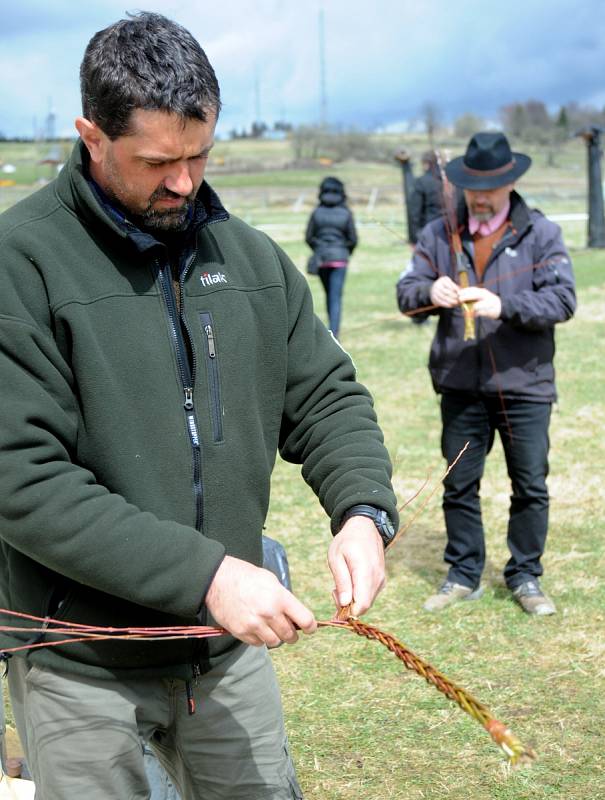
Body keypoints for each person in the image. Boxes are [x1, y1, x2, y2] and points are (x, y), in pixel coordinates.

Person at [0, 13, 399, 800]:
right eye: (157, 161)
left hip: (223, 654)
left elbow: (324, 396)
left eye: (200, 154)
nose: (184, 182)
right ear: (91, 135)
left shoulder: (248, 258)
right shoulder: (21, 265)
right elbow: (21, 478)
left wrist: (361, 509)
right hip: (80, 662)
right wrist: (208, 574)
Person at [396, 131, 576, 616]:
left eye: (489, 188)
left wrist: (505, 304)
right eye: (471, 187)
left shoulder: (542, 233)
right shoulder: (439, 233)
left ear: (510, 184)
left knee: (530, 485)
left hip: (525, 384)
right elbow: (406, 291)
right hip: (461, 385)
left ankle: (525, 576)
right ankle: (463, 573)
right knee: (458, 485)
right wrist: (430, 290)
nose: (479, 197)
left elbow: (563, 300)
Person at [305, 176, 357, 339]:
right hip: (340, 260)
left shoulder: (316, 212)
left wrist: (319, 248)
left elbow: (309, 236)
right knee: (335, 296)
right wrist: (345, 252)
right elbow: (353, 239)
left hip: (322, 260)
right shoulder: (346, 213)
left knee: (329, 295)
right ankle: (335, 333)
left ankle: (332, 331)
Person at [408, 150, 442, 245]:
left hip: (429, 233)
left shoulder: (421, 182)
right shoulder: (450, 180)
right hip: (451, 234)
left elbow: (414, 213)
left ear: (426, 163)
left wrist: (414, 239)